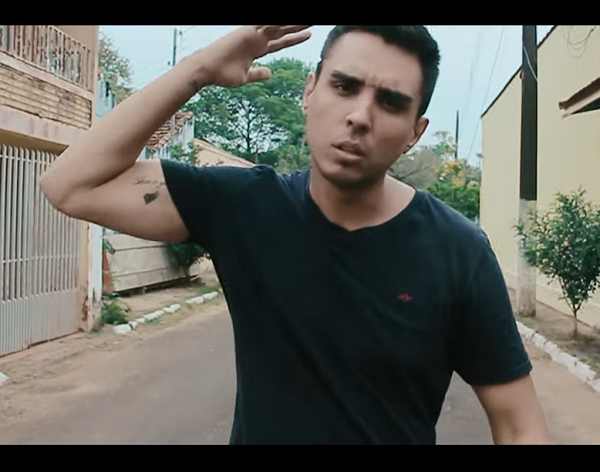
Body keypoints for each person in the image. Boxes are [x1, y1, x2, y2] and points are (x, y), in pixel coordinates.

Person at [39, 25, 548, 444]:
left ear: (415, 132)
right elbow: (68, 185)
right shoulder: (243, 206)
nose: (359, 116)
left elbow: (519, 425)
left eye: (391, 103)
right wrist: (198, 70)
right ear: (309, 92)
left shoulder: (458, 252)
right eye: (344, 86)